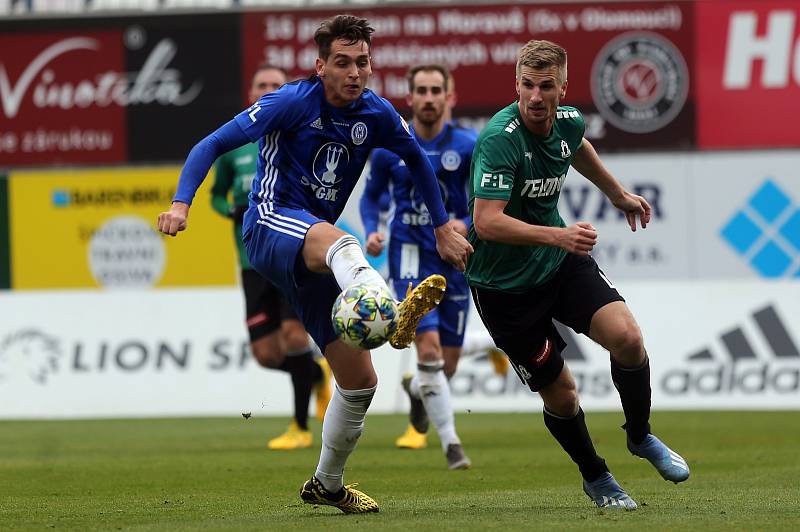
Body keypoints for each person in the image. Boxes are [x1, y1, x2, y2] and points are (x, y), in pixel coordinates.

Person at [157, 14, 472, 514]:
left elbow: (417, 160)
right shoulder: (290, 101)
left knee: (361, 382)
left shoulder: (379, 113)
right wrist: (181, 203)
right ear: (320, 65)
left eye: (362, 62)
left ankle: (327, 483)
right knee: (343, 245)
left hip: (311, 255)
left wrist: (439, 226)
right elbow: (211, 144)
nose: (354, 72)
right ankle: (385, 307)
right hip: (268, 224)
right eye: (342, 62)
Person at [466, 40, 689, 510]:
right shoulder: (500, 139)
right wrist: (558, 235)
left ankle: (641, 436)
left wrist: (617, 193)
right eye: (527, 85)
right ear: (517, 85)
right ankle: (597, 477)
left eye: (547, 86)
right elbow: (487, 222)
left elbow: (578, 148)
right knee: (564, 395)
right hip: (504, 289)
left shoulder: (568, 122)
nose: (536, 96)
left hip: (557, 266)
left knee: (628, 337)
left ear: (563, 89)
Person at [360, 64, 475, 469]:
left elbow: (488, 198)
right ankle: (452, 445)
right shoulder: (389, 146)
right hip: (408, 252)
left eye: (435, 90)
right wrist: (373, 229)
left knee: (447, 364)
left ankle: (418, 389)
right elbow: (370, 197)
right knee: (426, 348)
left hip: (454, 255)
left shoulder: (467, 144)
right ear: (410, 97)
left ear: (449, 96)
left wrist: (468, 222)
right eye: (421, 91)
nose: (428, 98)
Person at [210, 64, 331, 451]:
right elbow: (216, 193)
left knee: (295, 335)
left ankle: (299, 425)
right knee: (265, 353)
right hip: (250, 262)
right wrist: (226, 207)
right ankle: (313, 372)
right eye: (261, 85)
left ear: (287, 93)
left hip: (288, 255)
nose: (267, 90)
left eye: (275, 85)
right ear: (250, 93)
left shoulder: (299, 140)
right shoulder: (235, 148)